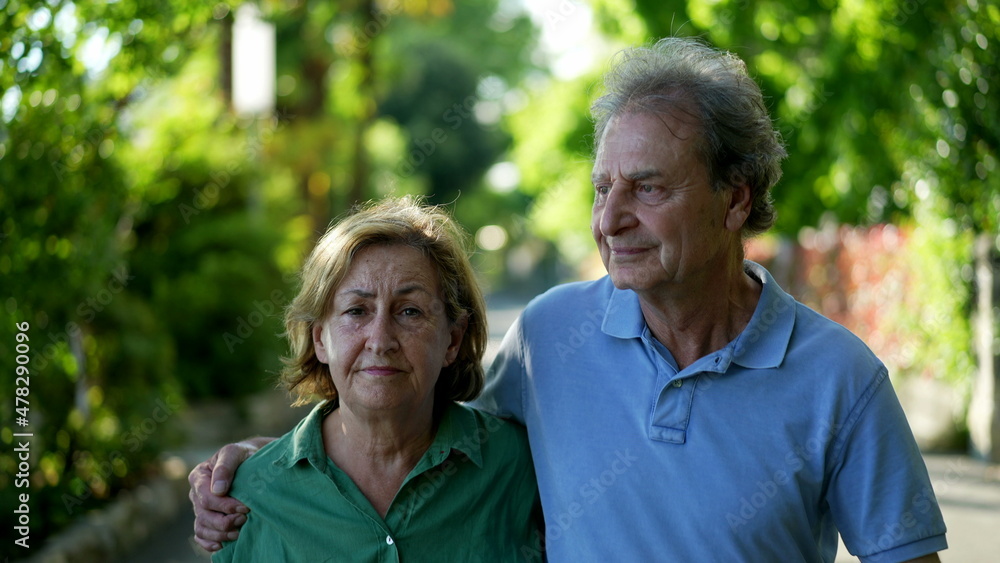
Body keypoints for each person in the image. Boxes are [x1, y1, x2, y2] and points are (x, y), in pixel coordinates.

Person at [191, 38, 947, 562]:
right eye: (602, 187)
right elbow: (419, 435)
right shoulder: (553, 334)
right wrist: (280, 467)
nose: (609, 219)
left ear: (734, 199)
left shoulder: (839, 379)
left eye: (647, 188)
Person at [207, 197, 541, 562]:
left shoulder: (521, 466)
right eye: (356, 311)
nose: (380, 340)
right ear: (320, 338)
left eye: (410, 311)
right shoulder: (249, 495)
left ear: (453, 339)